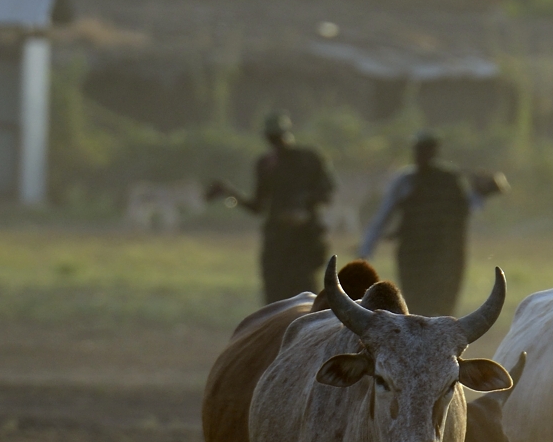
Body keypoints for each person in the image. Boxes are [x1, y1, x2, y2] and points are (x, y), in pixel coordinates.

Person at [358, 130, 506, 317]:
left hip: (446, 256)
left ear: (434, 152)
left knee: (443, 307)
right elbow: (383, 216)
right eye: (419, 150)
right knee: (414, 306)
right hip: (414, 256)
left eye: (426, 150)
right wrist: (366, 249)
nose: (421, 155)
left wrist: (482, 191)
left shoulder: (450, 180)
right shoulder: (406, 180)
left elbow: (466, 207)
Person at [207, 112, 336, 304]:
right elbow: (258, 207)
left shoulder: (309, 158)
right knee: (276, 300)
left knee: (305, 299)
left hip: (304, 240)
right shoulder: (266, 164)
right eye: (272, 137)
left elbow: (326, 192)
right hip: (278, 243)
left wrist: (302, 209)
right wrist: (228, 191)